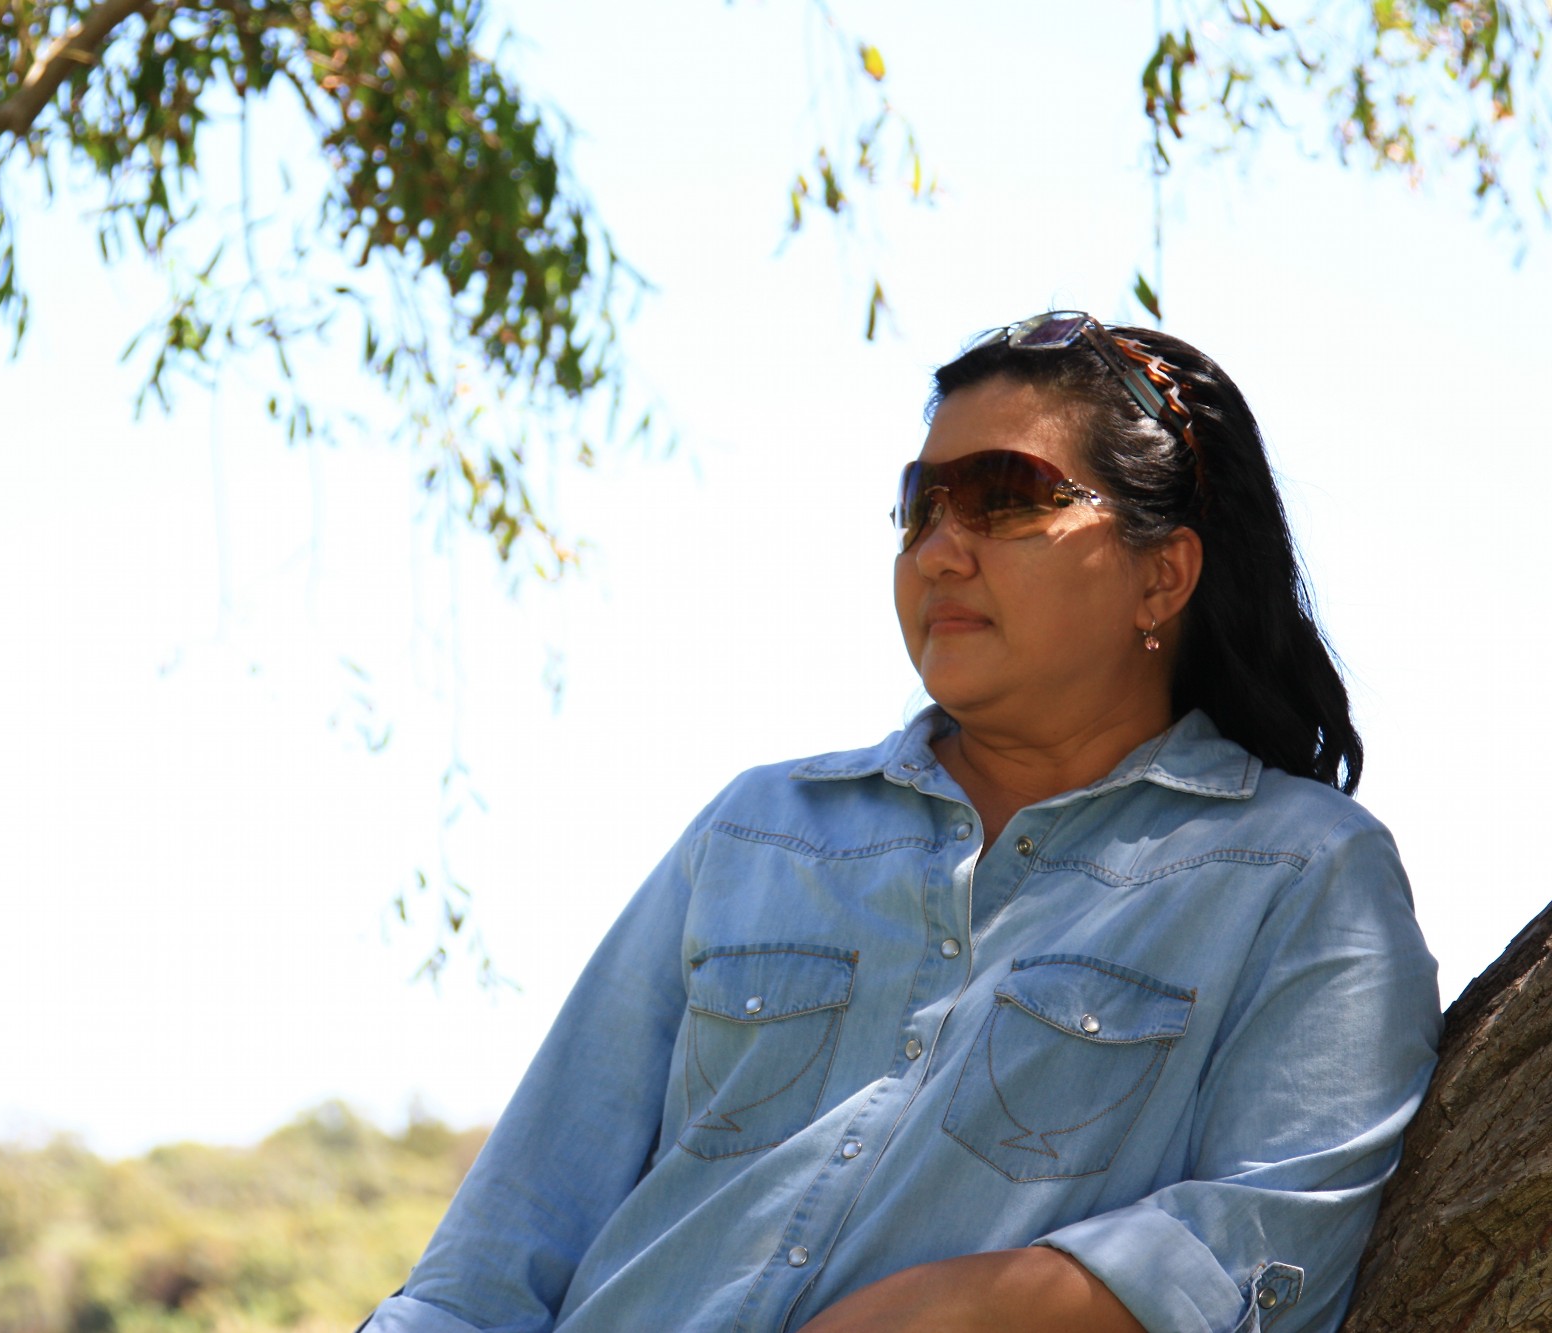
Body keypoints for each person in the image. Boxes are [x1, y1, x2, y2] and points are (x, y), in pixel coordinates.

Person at [359, 312, 1441, 1332]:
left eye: (1005, 499)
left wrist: (952, 1309)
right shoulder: (758, 831)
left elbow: (1269, 1245)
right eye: (921, 507)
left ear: (1161, 576)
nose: (938, 552)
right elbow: (500, 1248)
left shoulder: (1301, 873)